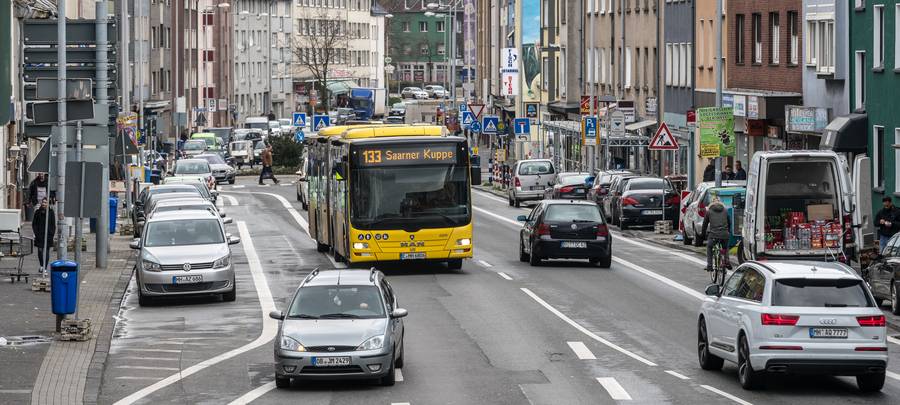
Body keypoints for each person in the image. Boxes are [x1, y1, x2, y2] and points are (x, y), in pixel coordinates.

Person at [702, 197, 732, 271]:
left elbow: (705, 224)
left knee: (709, 247)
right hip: (724, 234)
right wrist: (728, 231)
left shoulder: (709, 211)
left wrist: (703, 234)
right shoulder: (725, 210)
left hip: (713, 235)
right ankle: (726, 261)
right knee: (725, 248)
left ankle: (709, 265)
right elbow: (729, 222)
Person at [32, 198, 56, 271]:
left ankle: (45, 268)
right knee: (40, 250)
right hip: (39, 235)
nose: (44, 204)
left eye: (45, 203)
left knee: (47, 251)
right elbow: (34, 224)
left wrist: (51, 233)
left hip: (48, 235)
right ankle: (41, 265)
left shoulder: (51, 212)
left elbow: (53, 224)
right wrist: (36, 233)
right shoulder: (37, 212)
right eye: (43, 202)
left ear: (48, 204)